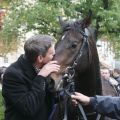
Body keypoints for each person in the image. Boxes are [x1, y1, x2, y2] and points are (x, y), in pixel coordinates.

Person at [2, 34, 60, 120]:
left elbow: (50, 98)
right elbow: (28, 108)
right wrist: (41, 77)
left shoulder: (44, 67)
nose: (55, 56)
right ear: (40, 58)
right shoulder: (12, 74)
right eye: (52, 54)